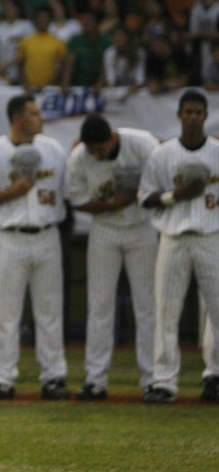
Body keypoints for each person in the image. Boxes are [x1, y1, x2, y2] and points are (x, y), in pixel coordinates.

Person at [0, 93, 69, 400]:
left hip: (47, 233)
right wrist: (13, 192)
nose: (40, 119)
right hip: (9, 235)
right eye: (34, 113)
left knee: (50, 311)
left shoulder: (53, 150)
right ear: (17, 118)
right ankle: (3, 378)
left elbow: (66, 194)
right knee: (6, 312)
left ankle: (54, 377)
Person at [67, 115, 158, 400]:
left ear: (113, 137)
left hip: (142, 227)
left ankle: (154, 379)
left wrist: (134, 196)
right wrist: (111, 204)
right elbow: (77, 200)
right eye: (91, 149)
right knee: (99, 304)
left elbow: (161, 177)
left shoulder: (141, 143)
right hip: (105, 230)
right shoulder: (79, 157)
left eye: (100, 148)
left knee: (147, 305)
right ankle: (96, 379)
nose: (96, 154)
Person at [138, 90, 219, 403]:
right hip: (172, 237)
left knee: (216, 309)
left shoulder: (216, 151)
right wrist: (176, 195)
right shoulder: (163, 154)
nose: (194, 117)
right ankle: (164, 381)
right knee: (166, 311)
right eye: (188, 112)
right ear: (180, 115)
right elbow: (145, 197)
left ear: (205, 116)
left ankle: (214, 375)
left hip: (210, 235)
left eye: (199, 112)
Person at [16, 6, 66, 89]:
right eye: (39, 17)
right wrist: (25, 83)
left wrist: (51, 83)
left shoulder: (58, 43)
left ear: (50, 20)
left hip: (50, 89)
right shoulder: (26, 41)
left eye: (45, 17)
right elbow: (20, 64)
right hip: (30, 89)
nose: (42, 20)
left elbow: (64, 67)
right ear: (35, 20)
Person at [0, 0, 34, 85]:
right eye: (6, 6)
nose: (8, 9)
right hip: (0, 70)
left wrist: (9, 64)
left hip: (18, 70)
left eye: (11, 6)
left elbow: (29, 49)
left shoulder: (26, 26)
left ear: (18, 9)